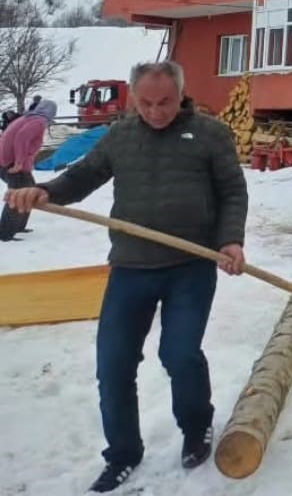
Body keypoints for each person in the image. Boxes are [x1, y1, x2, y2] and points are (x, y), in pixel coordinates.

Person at [4, 61, 248, 493]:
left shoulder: (210, 134)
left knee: (180, 354)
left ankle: (196, 427)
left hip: (190, 266)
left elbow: (232, 191)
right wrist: (46, 191)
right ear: (134, 99)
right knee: (113, 364)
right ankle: (122, 453)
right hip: (131, 267)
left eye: (165, 102)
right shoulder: (121, 136)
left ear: (181, 94)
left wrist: (230, 240)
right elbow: (83, 175)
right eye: (146, 103)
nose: (156, 112)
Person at [0, 99, 57, 240]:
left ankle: (18, 226)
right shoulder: (38, 121)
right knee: (19, 194)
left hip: (7, 162)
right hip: (11, 164)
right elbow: (21, 139)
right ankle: (5, 233)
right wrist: (19, 163)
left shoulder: (28, 118)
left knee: (29, 191)